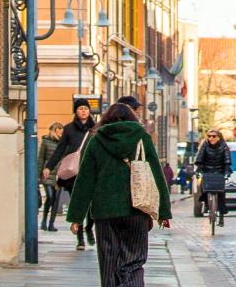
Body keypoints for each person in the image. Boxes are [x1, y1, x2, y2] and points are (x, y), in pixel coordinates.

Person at [66, 102, 170, 286]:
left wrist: (76, 217)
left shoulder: (96, 140)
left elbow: (85, 180)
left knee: (108, 262)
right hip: (137, 209)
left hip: (105, 212)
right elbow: (156, 174)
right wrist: (163, 212)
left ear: (106, 119)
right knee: (134, 261)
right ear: (132, 118)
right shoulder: (142, 138)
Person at [55, 99, 99, 249]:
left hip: (92, 172)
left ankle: (89, 228)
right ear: (75, 111)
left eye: (86, 108)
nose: (83, 111)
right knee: (79, 203)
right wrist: (49, 167)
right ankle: (80, 238)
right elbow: (60, 149)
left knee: (92, 205)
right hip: (74, 173)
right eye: (80, 108)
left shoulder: (96, 129)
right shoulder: (68, 129)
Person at [194, 129, 233, 223]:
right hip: (207, 170)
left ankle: (222, 214)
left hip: (220, 171)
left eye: (214, 136)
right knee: (203, 187)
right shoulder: (205, 145)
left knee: (221, 192)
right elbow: (200, 157)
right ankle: (207, 204)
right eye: (209, 136)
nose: (211, 138)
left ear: (219, 138)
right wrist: (199, 168)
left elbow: (227, 158)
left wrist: (227, 170)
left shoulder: (224, 146)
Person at [38, 123, 66, 231]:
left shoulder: (63, 144)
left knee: (55, 199)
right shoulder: (45, 142)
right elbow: (40, 159)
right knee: (50, 197)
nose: (61, 133)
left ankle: (51, 223)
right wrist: (37, 176)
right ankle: (44, 220)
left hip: (59, 175)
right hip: (47, 174)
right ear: (55, 130)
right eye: (60, 131)